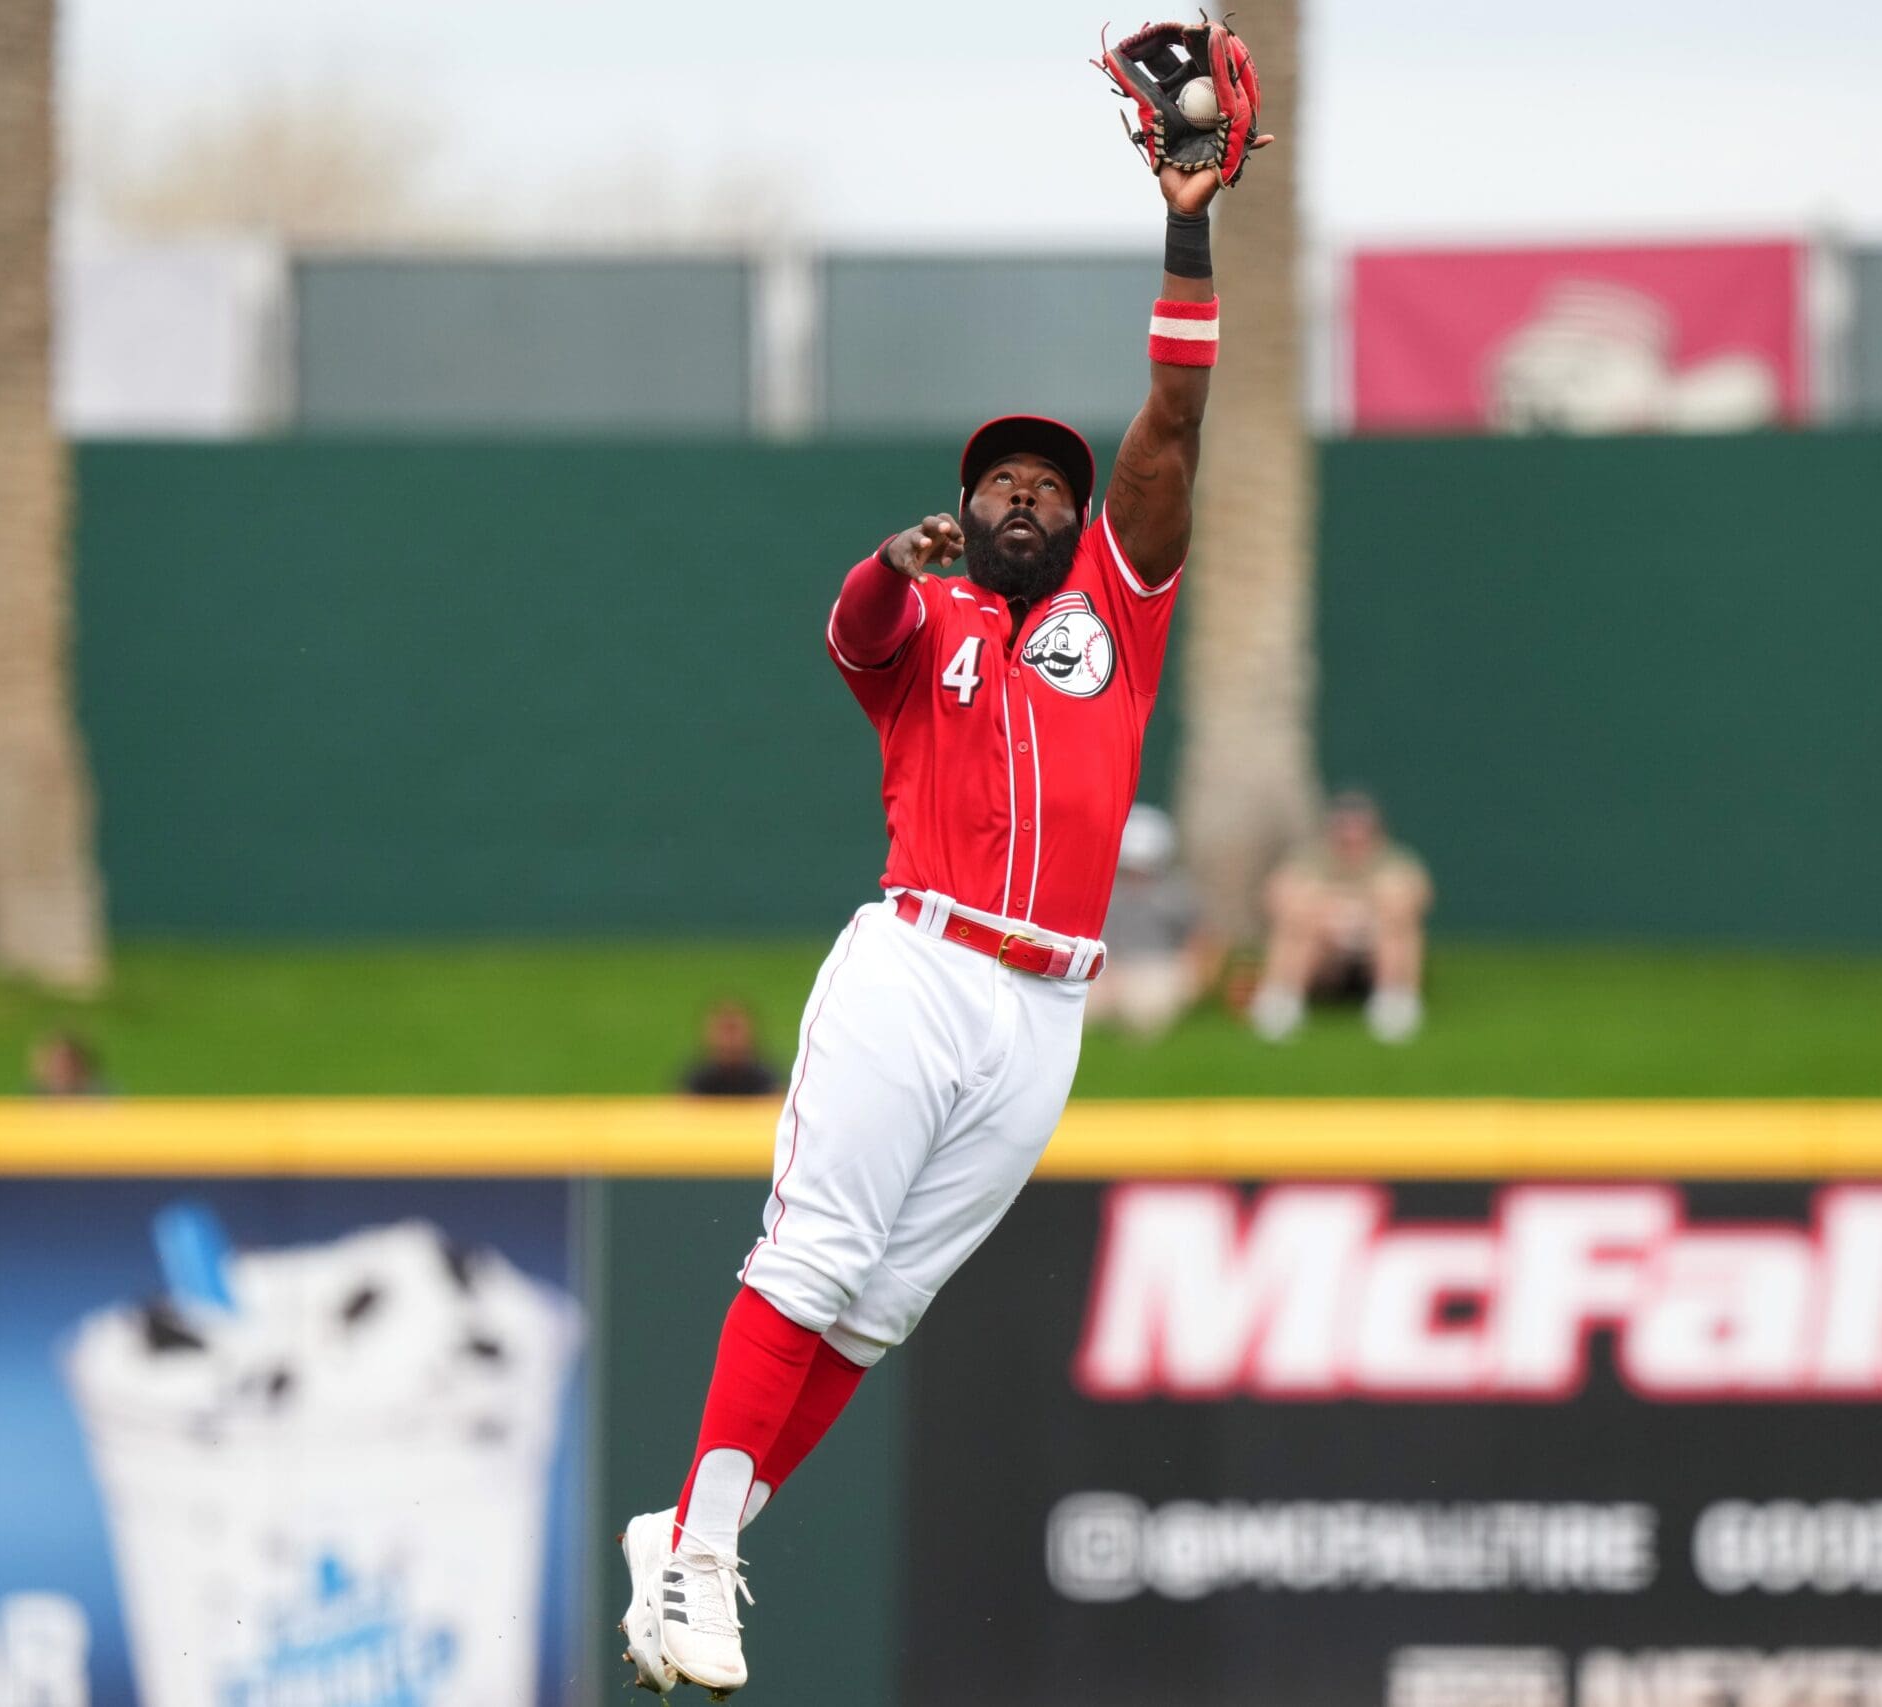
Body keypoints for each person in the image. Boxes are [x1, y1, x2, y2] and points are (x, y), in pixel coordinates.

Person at [615, 28, 1273, 1697]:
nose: (1036, 495)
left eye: (1052, 481)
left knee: (874, 1314)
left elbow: (1175, 430)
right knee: (814, 1259)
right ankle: (695, 1549)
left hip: (1046, 1010)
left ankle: (699, 1536)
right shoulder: (927, 623)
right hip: (919, 958)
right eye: (1006, 483)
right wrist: (893, 564)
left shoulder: (1115, 616)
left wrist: (1188, 223)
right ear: (966, 514)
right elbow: (847, 628)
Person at [1248, 791, 1435, 1045]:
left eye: (1360, 828)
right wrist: (1330, 916)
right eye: (1345, 829)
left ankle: (1396, 1002)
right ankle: (1281, 1003)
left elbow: (1414, 898)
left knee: (1396, 924)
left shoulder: (1394, 860)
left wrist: (1360, 918)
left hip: (1372, 953)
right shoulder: (1309, 859)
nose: (1352, 836)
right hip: (1323, 957)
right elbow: (1278, 896)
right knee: (1299, 916)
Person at [1085, 804, 1218, 1040]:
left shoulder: (1176, 893)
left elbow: (1200, 941)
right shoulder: (1105, 890)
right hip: (1110, 966)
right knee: (1086, 1009)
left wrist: (1193, 980)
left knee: (1146, 1011)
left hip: (1158, 965)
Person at [679, 1000, 782, 1097]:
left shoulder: (768, 1084)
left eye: (735, 1030)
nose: (730, 1040)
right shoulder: (695, 1084)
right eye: (724, 1031)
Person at [29, 1030, 111, 1097]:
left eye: (68, 1064)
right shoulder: (33, 1100)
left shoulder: (100, 1098)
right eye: (57, 1065)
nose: (63, 1070)